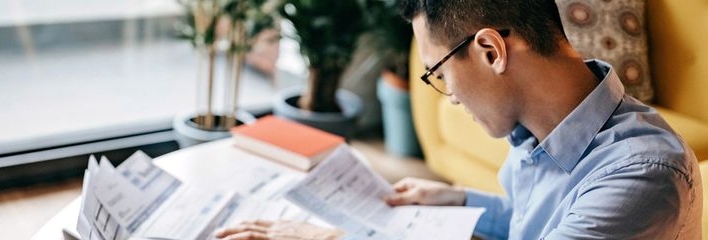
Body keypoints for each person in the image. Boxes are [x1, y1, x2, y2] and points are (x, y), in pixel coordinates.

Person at [215, 0, 703, 239]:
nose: (447, 96)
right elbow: (535, 222)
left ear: (491, 50)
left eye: (439, 71)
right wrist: (459, 200)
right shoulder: (547, 133)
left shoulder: (642, 175)